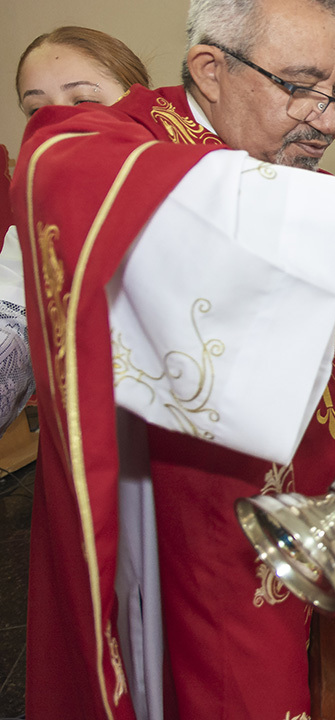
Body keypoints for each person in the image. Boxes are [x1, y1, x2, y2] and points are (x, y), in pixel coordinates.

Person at [11, 1, 335, 719]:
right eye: (302, 87)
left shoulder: (294, 173)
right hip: (210, 555)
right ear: (210, 71)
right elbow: (59, 173)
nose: (330, 120)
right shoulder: (136, 135)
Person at [0, 27, 153, 437]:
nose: (58, 121)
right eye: (36, 111)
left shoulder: (196, 194)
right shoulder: (33, 231)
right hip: (83, 451)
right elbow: (9, 328)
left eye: (83, 99)